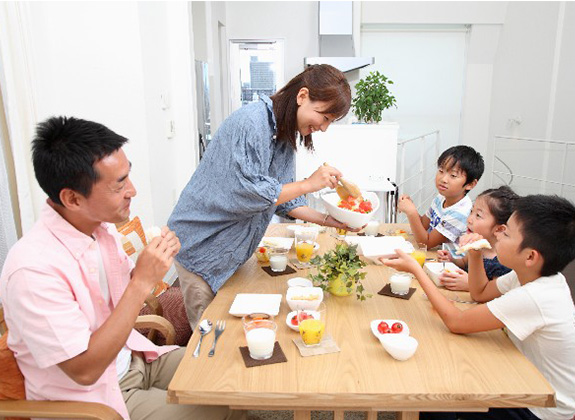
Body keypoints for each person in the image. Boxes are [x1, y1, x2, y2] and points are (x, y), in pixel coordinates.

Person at [0, 117, 239, 420]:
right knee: (221, 406)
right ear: (72, 198)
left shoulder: (100, 229)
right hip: (91, 399)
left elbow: (119, 289)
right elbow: (84, 371)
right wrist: (141, 281)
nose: (133, 190)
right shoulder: (32, 271)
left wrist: (151, 262)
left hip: (136, 358)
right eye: (119, 184)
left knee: (233, 371)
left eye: (128, 176)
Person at [168, 64, 357, 330]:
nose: (324, 128)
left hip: (229, 252)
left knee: (235, 330)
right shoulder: (251, 122)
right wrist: (309, 184)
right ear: (302, 96)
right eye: (323, 117)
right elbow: (250, 194)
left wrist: (331, 220)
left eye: (329, 122)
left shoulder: (283, 132)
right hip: (203, 247)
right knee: (212, 341)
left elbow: (285, 199)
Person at [382, 194, 575, 420]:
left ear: (530, 256)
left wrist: (416, 270)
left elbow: (457, 322)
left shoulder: (536, 296)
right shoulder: (527, 276)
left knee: (433, 396)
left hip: (539, 406)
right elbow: (480, 292)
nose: (498, 234)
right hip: (522, 376)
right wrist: (474, 254)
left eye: (507, 233)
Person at [398, 145, 484, 255]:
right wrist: (410, 206)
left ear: (470, 184)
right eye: (441, 170)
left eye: (453, 175)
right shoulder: (441, 197)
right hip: (436, 255)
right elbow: (423, 225)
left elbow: (426, 243)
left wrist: (411, 212)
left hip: (452, 264)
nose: (443, 179)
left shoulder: (461, 213)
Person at [436, 185, 519, 291]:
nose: (470, 219)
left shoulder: (502, 261)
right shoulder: (476, 244)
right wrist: (452, 260)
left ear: (499, 229)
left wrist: (470, 285)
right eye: (471, 211)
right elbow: (465, 262)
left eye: (478, 215)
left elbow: (496, 292)